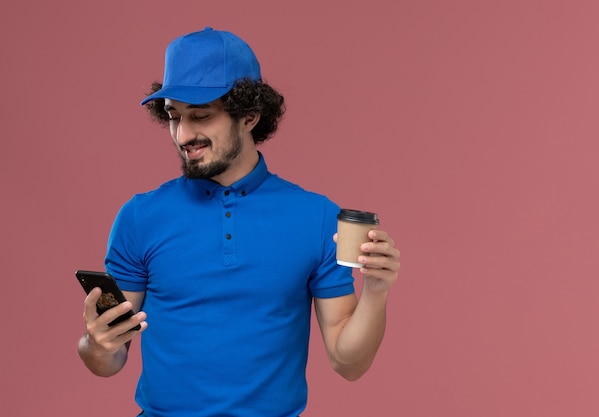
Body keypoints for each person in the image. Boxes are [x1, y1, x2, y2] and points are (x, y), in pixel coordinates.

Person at [77, 27, 400, 417]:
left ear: (249, 116)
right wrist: (95, 344)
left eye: (200, 116)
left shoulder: (317, 218)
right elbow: (109, 361)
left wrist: (377, 290)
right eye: (173, 116)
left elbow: (349, 363)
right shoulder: (139, 217)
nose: (183, 134)